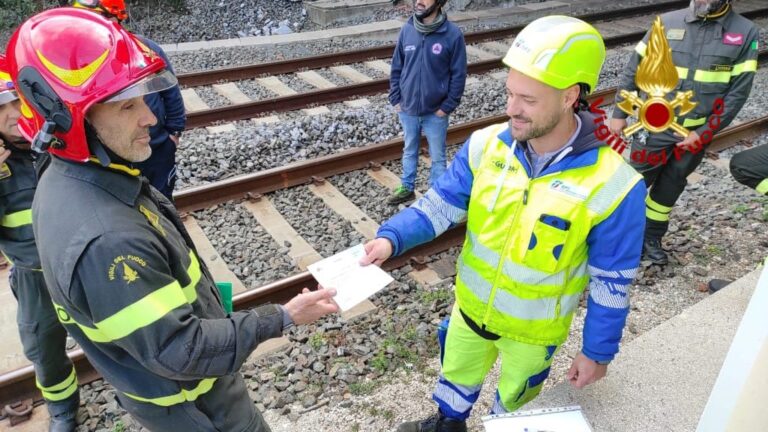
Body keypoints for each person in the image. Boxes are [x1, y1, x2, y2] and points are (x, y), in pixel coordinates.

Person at [7, 9, 338, 431]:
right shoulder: (108, 240)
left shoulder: (72, 176)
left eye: (143, 99)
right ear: (69, 120)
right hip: (201, 410)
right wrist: (282, 316)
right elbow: (181, 349)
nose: (149, 117)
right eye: (127, 106)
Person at [362, 15, 646, 432]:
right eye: (510, 93)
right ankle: (448, 424)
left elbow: (612, 281)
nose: (511, 108)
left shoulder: (615, 184)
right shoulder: (486, 146)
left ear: (569, 96)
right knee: (455, 375)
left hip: (533, 335)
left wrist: (596, 353)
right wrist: (391, 239)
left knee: (515, 406)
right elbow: (439, 207)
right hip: (471, 312)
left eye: (528, 99)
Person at [609, 0, 758, 265]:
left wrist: (703, 133)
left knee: (670, 187)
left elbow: (737, 93)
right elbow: (635, 68)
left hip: (694, 136)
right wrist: (620, 113)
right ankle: (612, 239)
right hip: (653, 129)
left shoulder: (745, 32)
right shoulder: (667, 22)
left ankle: (650, 238)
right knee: (631, 185)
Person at [0, 55, 78, 432]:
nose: (14, 113)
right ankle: (63, 409)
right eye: (1, 107)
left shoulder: (62, 139)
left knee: (119, 328)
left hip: (83, 264)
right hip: (35, 277)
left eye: (18, 100)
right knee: (44, 347)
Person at [73, 0, 186, 201]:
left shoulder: (146, 49)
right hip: (112, 152)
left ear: (115, 19)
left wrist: (174, 132)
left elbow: (171, 92)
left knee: (162, 198)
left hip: (156, 146)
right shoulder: (79, 62)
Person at [388, 0, 467, 205]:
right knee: (409, 149)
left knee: (438, 155)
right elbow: (397, 67)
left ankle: (436, 196)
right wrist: (396, 98)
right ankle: (407, 188)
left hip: (436, 111)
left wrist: (447, 106)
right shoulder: (407, 30)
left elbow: (458, 75)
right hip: (408, 108)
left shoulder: (452, 35)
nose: (419, 2)